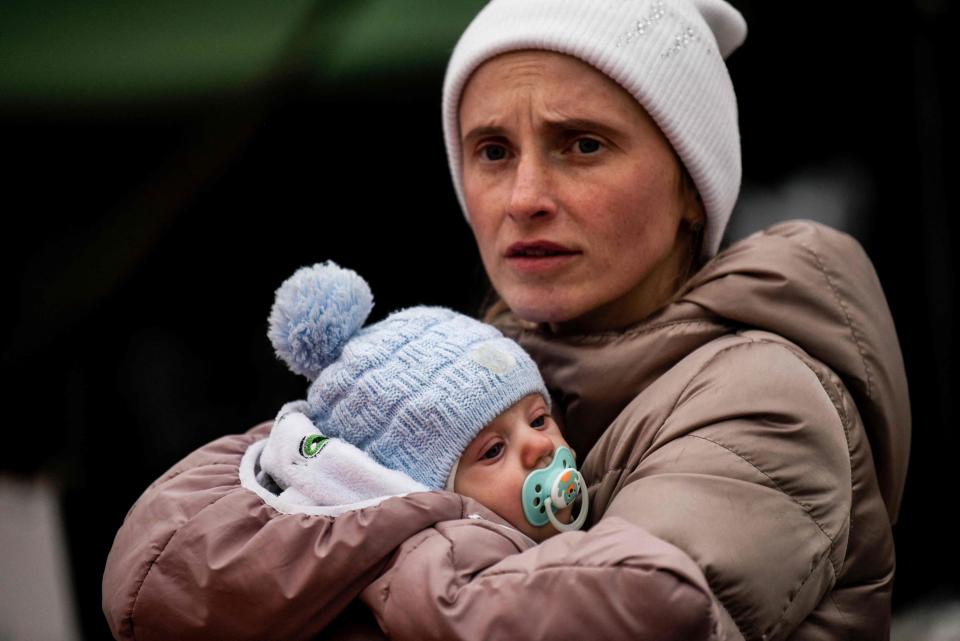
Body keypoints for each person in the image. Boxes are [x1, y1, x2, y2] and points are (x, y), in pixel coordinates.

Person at [103, 0, 911, 639]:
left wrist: (359, 531)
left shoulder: (767, 397)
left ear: (691, 190)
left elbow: (631, 612)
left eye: (582, 144)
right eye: (492, 150)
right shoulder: (462, 368)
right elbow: (156, 583)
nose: (524, 197)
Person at [256, 261, 588, 542]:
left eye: (538, 420)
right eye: (493, 450)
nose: (540, 444)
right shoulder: (443, 565)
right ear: (420, 492)